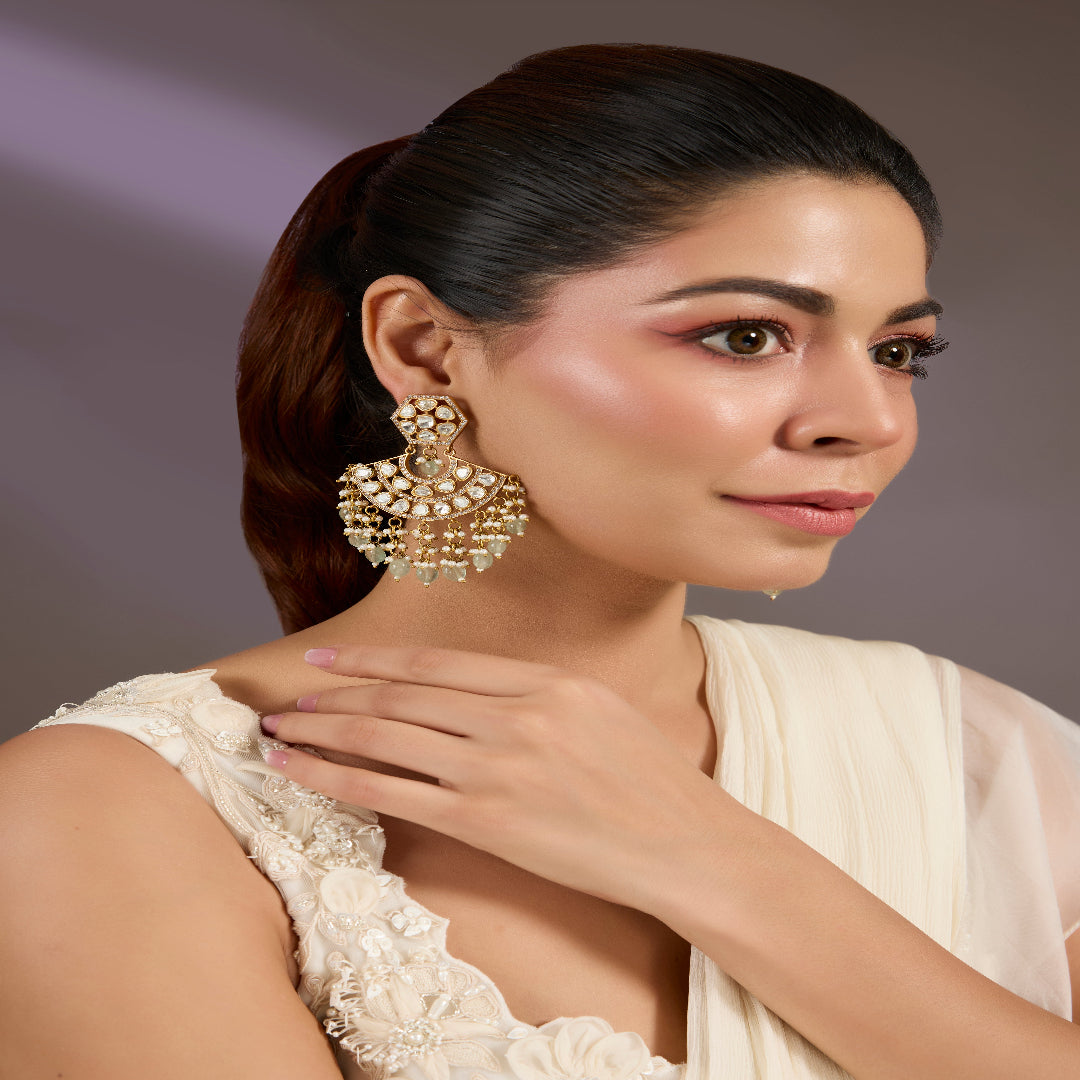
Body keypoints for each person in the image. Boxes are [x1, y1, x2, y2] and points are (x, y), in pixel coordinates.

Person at [1, 42, 1078, 1080]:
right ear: (424, 347)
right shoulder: (116, 810)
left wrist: (717, 862)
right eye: (746, 336)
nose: (868, 420)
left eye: (898, 352)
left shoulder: (978, 754)